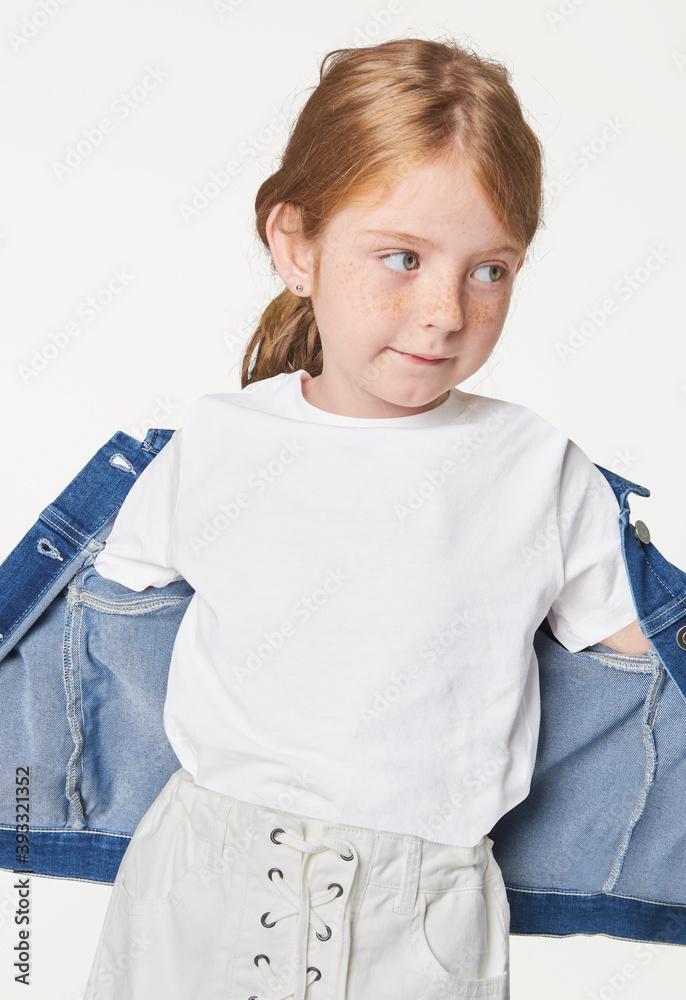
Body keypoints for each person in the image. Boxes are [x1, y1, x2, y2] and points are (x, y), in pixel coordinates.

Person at [83, 36, 650, 1000]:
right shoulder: (216, 446)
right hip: (197, 897)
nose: (443, 311)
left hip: (421, 924)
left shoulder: (539, 472)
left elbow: (638, 670)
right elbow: (112, 655)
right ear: (295, 245)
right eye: (401, 256)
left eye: (490, 270)